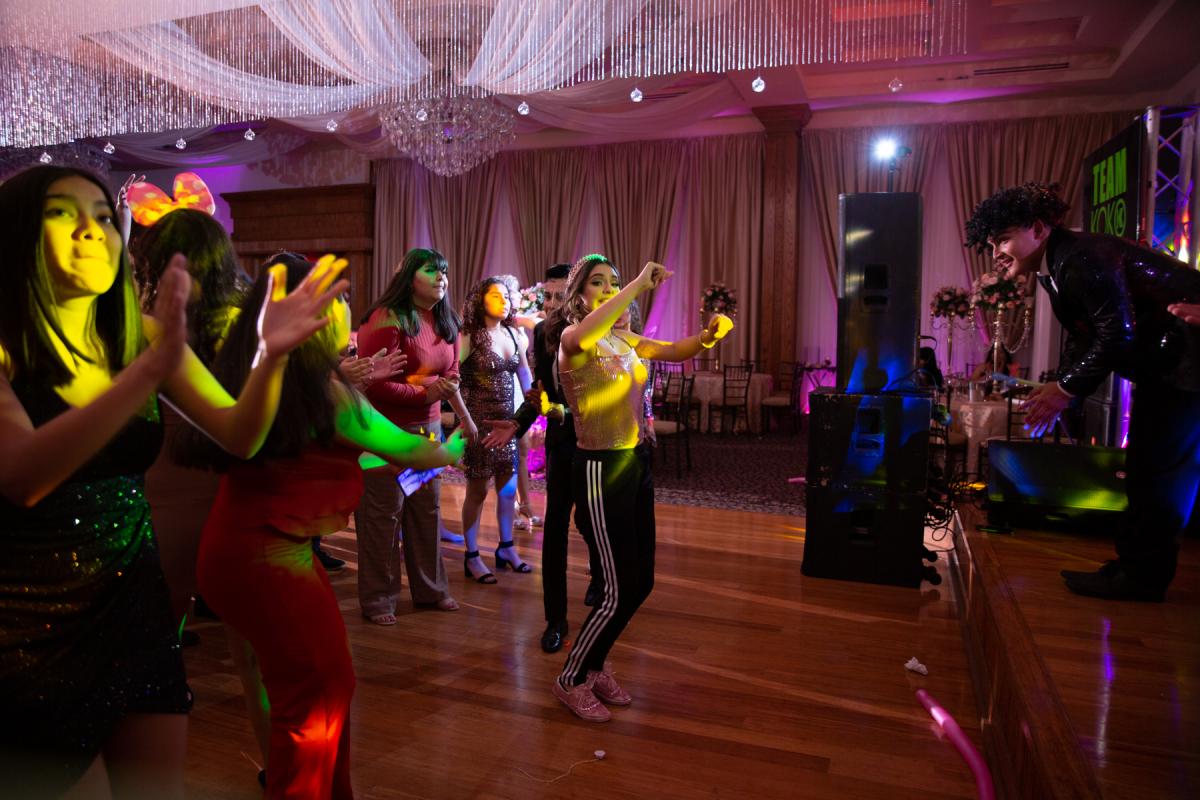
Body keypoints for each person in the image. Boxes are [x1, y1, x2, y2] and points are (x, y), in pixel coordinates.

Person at [0, 165, 346, 796]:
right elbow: (22, 476)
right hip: (29, 628)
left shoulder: (144, 337)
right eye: (63, 214)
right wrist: (145, 372)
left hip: (134, 610)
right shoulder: (11, 348)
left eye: (102, 216)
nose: (91, 230)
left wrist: (270, 356)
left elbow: (239, 434)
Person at [186, 256, 465, 799]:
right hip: (269, 557)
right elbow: (413, 449)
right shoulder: (322, 389)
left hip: (240, 545)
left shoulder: (264, 370)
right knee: (320, 688)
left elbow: (317, 454)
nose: (347, 311)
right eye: (336, 300)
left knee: (295, 684)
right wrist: (454, 445)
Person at [965, 181, 1200, 602]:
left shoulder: (1080, 257)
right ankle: (1135, 569)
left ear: (1038, 229)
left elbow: (1117, 335)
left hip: (1186, 365)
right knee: (1147, 468)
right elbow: (1085, 334)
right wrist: (1061, 385)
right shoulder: (1058, 263)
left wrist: (1065, 389)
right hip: (1170, 368)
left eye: (1003, 239)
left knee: (1159, 471)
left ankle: (1141, 577)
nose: (996, 252)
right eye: (992, 242)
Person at [543, 254, 732, 721]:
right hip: (599, 468)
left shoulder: (623, 339)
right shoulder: (572, 339)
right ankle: (571, 678)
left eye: (613, 282)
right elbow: (585, 333)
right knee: (615, 586)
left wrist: (708, 336)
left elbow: (673, 350)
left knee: (640, 580)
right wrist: (636, 285)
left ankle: (595, 664)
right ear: (578, 295)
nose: (609, 289)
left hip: (635, 463)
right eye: (598, 283)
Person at [356, 248, 470, 623]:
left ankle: (430, 590)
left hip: (428, 430)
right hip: (386, 433)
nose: (441, 277)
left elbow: (451, 372)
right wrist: (425, 392)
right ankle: (378, 599)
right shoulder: (386, 319)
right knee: (383, 516)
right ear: (409, 276)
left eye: (444, 271)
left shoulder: (446, 320)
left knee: (425, 511)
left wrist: (444, 390)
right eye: (431, 270)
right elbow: (373, 383)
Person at [457, 277, 532, 582]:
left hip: (508, 424)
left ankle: (506, 548)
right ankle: (472, 555)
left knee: (508, 490)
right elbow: (451, 378)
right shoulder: (469, 336)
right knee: (477, 491)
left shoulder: (513, 334)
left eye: (507, 297)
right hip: (479, 425)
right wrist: (463, 418)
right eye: (496, 296)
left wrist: (532, 412)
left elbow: (525, 374)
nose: (505, 301)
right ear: (480, 300)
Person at [496, 274, 541, 531]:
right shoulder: (498, 325)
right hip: (503, 389)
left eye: (514, 294)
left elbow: (525, 368)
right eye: (509, 294)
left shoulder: (518, 323)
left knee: (523, 450)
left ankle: (526, 504)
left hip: (519, 391)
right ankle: (511, 507)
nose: (514, 298)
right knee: (508, 455)